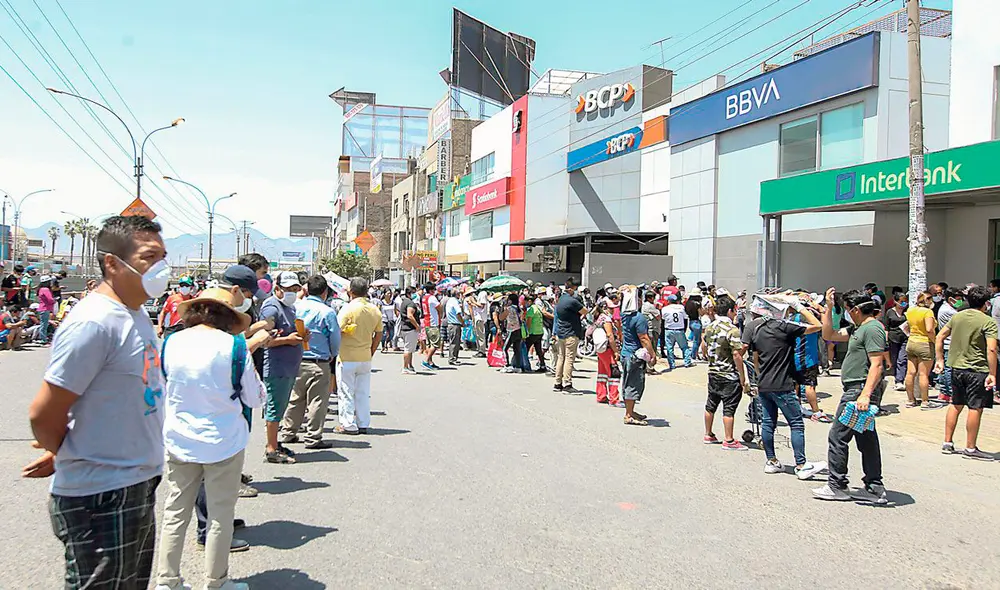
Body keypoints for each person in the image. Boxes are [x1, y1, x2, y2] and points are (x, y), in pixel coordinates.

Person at [23, 215, 169, 589]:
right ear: (111, 263)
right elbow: (44, 412)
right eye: (149, 257)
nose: (160, 267)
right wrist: (70, 451)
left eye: (163, 256)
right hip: (101, 494)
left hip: (135, 482)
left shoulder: (134, 314)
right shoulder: (94, 322)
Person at [156, 287, 264, 590]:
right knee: (220, 515)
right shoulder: (235, 347)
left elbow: (160, 389)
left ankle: (167, 582)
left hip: (179, 438)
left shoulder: (171, 342)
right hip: (223, 441)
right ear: (229, 317)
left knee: (175, 512)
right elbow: (254, 398)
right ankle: (216, 583)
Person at [814, 288, 888, 503]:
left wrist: (865, 395)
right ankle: (874, 486)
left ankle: (837, 484)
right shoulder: (857, 328)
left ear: (855, 309)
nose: (845, 313)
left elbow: (877, 365)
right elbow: (829, 335)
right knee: (866, 438)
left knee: (838, 436)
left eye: (846, 309)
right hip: (856, 390)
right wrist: (828, 307)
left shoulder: (872, 329)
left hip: (858, 391)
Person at [742, 295, 826, 479]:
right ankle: (801, 464)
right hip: (782, 383)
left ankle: (771, 461)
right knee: (796, 423)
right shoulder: (784, 327)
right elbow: (817, 326)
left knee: (768, 422)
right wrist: (800, 307)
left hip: (765, 383)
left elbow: (755, 360)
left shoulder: (758, 330)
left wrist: (759, 377)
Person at [935, 285, 998, 460]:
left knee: (955, 404)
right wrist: (992, 373)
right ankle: (970, 448)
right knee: (975, 408)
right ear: (986, 303)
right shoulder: (988, 321)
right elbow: (991, 349)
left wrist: (939, 360)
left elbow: (939, 336)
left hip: (956, 368)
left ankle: (947, 442)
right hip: (977, 370)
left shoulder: (958, 317)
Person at [280, 275, 341, 450]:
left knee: (295, 398)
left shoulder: (295, 307)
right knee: (317, 401)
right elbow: (335, 338)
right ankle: (313, 437)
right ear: (325, 292)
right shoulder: (327, 312)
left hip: (296, 358)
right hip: (318, 361)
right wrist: (333, 354)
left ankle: (288, 432)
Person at [260, 271, 306, 464]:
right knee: (274, 408)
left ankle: (275, 443)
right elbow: (263, 339)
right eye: (288, 289)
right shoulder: (271, 308)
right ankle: (271, 449)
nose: (292, 292)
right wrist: (289, 339)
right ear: (277, 289)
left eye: (295, 289)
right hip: (277, 367)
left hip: (288, 367)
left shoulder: (289, 307)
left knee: (279, 408)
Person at [335, 277, 383, 435]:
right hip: (365, 357)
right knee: (362, 392)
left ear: (351, 292)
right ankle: (363, 422)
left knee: (346, 391)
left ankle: (348, 424)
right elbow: (379, 334)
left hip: (346, 355)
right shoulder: (374, 309)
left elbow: (337, 331)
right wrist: (371, 351)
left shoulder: (347, 309)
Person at [703, 295, 748, 450]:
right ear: (730, 310)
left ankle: (708, 433)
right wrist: (743, 377)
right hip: (728, 373)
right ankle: (728, 440)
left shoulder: (710, 327)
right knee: (729, 407)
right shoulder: (732, 329)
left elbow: (704, 345)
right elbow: (737, 354)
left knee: (711, 404)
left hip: (713, 371)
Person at [619, 285, 657, 425]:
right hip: (635, 355)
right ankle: (629, 414)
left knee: (628, 381)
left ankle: (631, 411)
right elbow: (644, 338)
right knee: (633, 383)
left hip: (626, 353)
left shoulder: (624, 315)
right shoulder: (638, 318)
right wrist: (653, 355)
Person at [792, 304, 831, 423]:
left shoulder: (793, 318)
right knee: (810, 385)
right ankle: (816, 412)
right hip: (808, 358)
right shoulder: (808, 318)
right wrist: (821, 308)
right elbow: (823, 325)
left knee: (796, 385)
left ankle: (796, 408)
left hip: (795, 357)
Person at [553, 278, 587, 394]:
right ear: (573, 288)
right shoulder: (572, 301)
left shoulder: (561, 299)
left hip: (561, 333)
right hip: (571, 333)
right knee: (569, 359)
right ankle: (567, 384)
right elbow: (585, 311)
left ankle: (558, 383)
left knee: (561, 358)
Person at [904, 291, 937, 408]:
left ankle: (910, 400)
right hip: (924, 343)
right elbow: (929, 330)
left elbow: (907, 326)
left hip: (911, 342)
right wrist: (936, 342)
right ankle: (925, 401)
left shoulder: (910, 310)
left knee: (910, 372)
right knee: (923, 374)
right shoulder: (928, 312)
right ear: (927, 300)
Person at [934, 287, 966, 405]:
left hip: (947, 342)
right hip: (949, 343)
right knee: (948, 370)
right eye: (958, 298)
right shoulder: (950, 311)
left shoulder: (946, 308)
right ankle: (950, 392)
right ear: (950, 298)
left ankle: (944, 392)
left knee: (945, 369)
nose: (960, 301)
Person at [593, 300, 621, 406]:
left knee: (602, 373)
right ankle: (614, 399)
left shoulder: (598, 318)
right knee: (614, 373)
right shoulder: (607, 319)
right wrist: (616, 351)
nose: (613, 310)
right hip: (608, 350)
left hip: (601, 350)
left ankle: (601, 395)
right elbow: (610, 336)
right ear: (605, 308)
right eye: (611, 308)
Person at [883, 294, 909, 391]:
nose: (904, 304)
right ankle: (895, 376)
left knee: (902, 359)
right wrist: (885, 340)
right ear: (896, 301)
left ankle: (899, 380)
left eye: (905, 301)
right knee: (893, 359)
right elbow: (886, 327)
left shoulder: (907, 312)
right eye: (902, 301)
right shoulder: (890, 312)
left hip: (905, 338)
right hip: (893, 338)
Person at [661, 294, 692, 370]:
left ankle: (672, 364)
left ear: (669, 301)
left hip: (669, 330)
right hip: (679, 330)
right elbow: (685, 317)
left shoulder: (665, 309)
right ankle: (687, 362)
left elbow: (663, 318)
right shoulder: (681, 308)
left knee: (669, 348)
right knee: (684, 347)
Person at [419, 282, 443, 371]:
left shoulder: (424, 297)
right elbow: (439, 307)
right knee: (436, 343)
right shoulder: (432, 298)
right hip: (433, 322)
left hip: (427, 322)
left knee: (430, 343)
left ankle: (430, 362)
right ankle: (426, 361)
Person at [499, 292, 524, 373]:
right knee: (517, 349)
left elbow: (501, 318)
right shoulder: (519, 309)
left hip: (511, 330)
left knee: (504, 348)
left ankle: (506, 365)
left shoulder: (509, 309)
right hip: (519, 330)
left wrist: (502, 309)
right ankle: (518, 366)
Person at [398, 287, 420, 374]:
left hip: (406, 328)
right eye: (413, 293)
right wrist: (417, 325)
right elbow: (410, 315)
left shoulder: (405, 302)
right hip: (409, 328)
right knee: (408, 349)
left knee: (410, 349)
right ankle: (405, 367)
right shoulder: (410, 303)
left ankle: (410, 365)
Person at [525, 294, 547, 373]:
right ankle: (542, 365)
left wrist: (525, 333)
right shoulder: (537, 308)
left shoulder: (531, 309)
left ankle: (525, 364)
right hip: (539, 332)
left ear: (530, 301)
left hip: (532, 332)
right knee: (538, 350)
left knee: (526, 349)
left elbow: (528, 322)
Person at [642, 290, 662, 375]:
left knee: (647, 348)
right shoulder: (651, 306)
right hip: (653, 329)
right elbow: (658, 317)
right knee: (652, 349)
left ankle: (647, 367)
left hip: (647, 329)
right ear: (650, 298)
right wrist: (658, 308)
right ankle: (650, 368)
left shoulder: (644, 306)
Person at [445, 288, 465, 365]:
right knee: (454, 342)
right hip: (454, 324)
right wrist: (462, 322)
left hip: (451, 323)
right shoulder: (454, 302)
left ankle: (454, 357)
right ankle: (452, 358)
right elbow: (458, 313)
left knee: (455, 342)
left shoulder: (450, 301)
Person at [35, 275, 56, 345]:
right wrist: (54, 300)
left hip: (42, 308)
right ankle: (43, 339)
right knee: (44, 325)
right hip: (45, 308)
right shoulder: (45, 289)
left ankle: (43, 338)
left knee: (43, 324)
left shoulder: (41, 289)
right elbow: (50, 299)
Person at [685, 289, 704, 361]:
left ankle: (694, 354)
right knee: (697, 340)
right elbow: (701, 313)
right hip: (696, 322)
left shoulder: (688, 303)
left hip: (691, 321)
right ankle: (693, 355)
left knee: (695, 340)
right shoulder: (697, 304)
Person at [471, 287, 490, 357]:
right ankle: (480, 350)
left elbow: (482, 305)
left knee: (480, 335)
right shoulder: (480, 294)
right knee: (478, 335)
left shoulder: (482, 293)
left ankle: (482, 351)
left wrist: (473, 302)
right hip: (478, 317)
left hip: (480, 318)